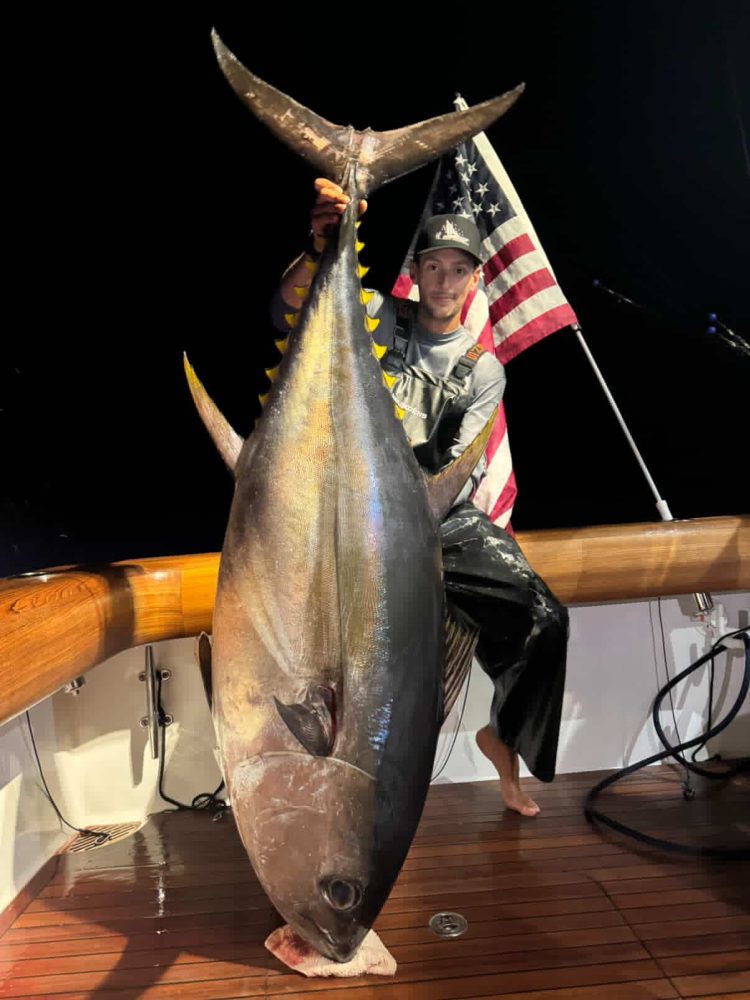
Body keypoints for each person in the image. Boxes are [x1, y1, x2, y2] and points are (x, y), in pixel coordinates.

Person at [272, 178, 568, 817]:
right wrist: (322, 242)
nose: (443, 281)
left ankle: (503, 736)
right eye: (432, 267)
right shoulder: (378, 313)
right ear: (417, 271)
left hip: (435, 513)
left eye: (457, 270)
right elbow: (290, 307)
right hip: (353, 508)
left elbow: (460, 468)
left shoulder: (483, 370)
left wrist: (414, 532)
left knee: (544, 617)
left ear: (473, 278)